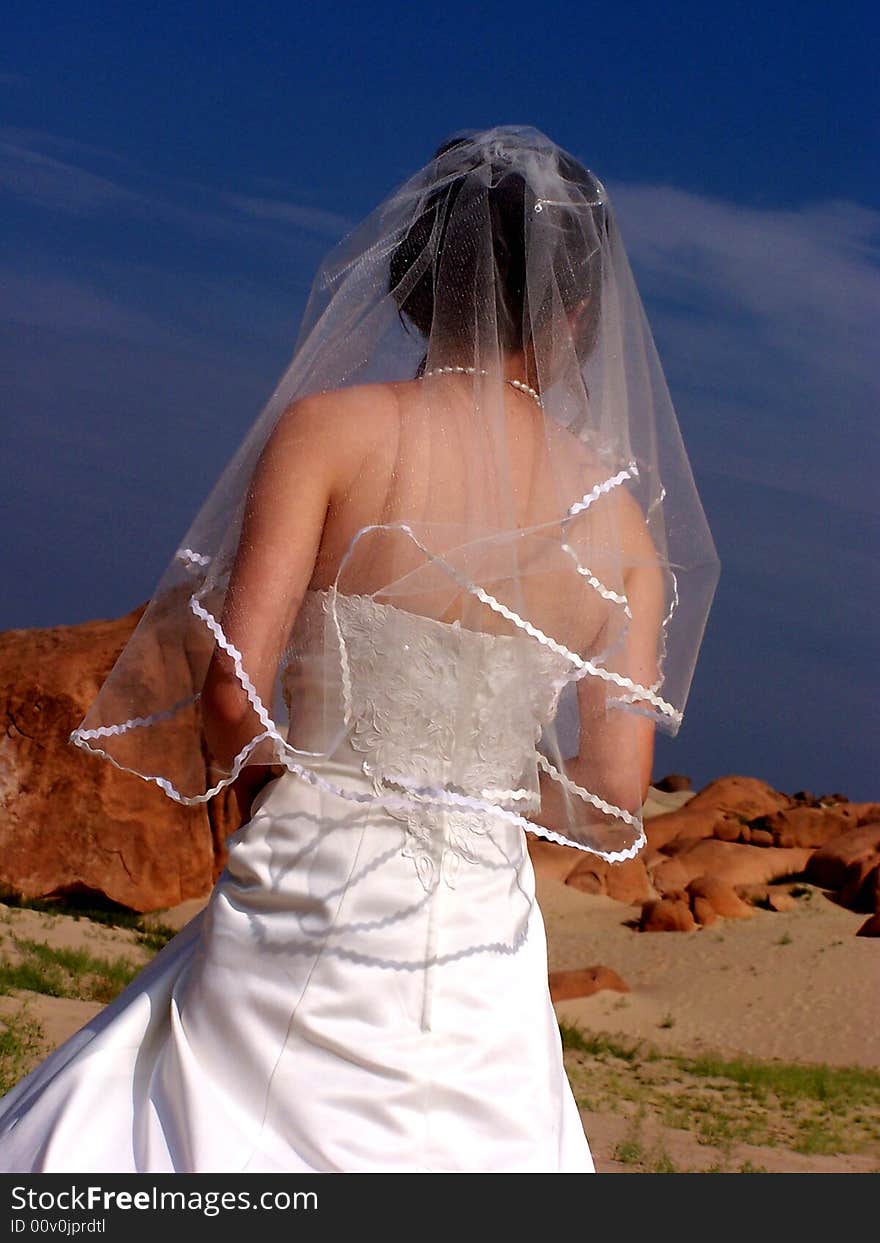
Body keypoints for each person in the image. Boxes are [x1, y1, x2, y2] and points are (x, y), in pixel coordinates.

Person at [0, 124, 720, 1172]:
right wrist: (471, 817)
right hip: (480, 920)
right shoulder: (624, 537)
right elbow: (613, 793)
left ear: (410, 280)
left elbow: (231, 693)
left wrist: (300, 798)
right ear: (575, 316)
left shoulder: (331, 432)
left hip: (311, 868)